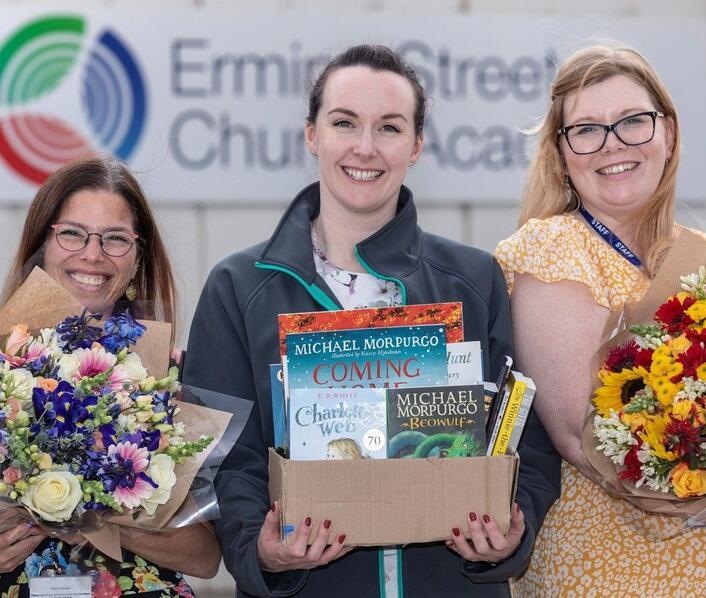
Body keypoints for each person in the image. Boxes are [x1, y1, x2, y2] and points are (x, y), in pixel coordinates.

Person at [183, 45, 560, 598]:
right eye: (344, 123)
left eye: (389, 127)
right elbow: (223, 459)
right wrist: (260, 549)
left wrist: (510, 530)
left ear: (416, 146)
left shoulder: (474, 281)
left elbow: (528, 440)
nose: (365, 147)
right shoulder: (238, 287)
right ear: (312, 135)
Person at [494, 45, 706, 596]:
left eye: (633, 121)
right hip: (607, 570)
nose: (613, 145)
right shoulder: (551, 249)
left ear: (669, 133)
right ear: (562, 154)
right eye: (587, 130)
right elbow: (585, 438)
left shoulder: (698, 255)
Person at [0, 156, 221, 596]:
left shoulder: (168, 379)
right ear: (42, 243)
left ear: (138, 259)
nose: (93, 253)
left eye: (116, 238)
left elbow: (207, 556)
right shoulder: (7, 368)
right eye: (72, 233)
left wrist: (95, 519)